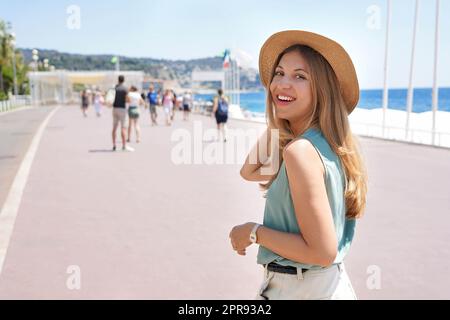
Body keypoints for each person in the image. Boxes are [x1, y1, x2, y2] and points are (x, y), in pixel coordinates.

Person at [230, 30, 368, 300]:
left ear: (322, 90)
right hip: (327, 285)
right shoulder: (326, 144)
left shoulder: (301, 152)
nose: (282, 83)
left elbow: (321, 252)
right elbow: (248, 171)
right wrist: (279, 122)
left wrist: (253, 232)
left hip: (302, 289)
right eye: (279, 74)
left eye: (300, 76)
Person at [112, 75, 133, 152]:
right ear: (123, 80)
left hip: (115, 108)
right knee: (123, 128)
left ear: (118, 80)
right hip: (122, 109)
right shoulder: (125, 89)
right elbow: (128, 100)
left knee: (114, 128)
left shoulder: (115, 88)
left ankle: (114, 145)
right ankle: (124, 145)